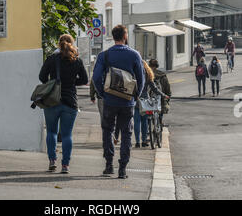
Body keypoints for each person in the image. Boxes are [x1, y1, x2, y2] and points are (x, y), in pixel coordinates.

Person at [92, 25, 145, 179]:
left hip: (110, 100)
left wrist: (102, 93)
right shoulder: (134, 55)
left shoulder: (105, 55)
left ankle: (109, 165)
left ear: (114, 36)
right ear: (125, 36)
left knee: (108, 130)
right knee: (126, 133)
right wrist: (135, 96)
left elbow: (95, 78)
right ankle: (122, 168)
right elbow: (141, 79)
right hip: (127, 101)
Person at [39, 34, 88, 174]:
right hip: (70, 101)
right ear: (72, 43)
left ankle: (52, 161)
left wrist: (53, 82)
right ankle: (65, 165)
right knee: (67, 135)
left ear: (58, 44)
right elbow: (84, 79)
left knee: (51, 132)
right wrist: (72, 82)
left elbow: (42, 77)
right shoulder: (76, 60)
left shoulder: (51, 59)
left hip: (52, 100)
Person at [134, 61, 167, 148]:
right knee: (144, 121)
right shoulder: (148, 74)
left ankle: (137, 142)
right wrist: (163, 95)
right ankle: (144, 141)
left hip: (136, 100)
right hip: (145, 101)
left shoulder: (134, 73)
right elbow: (155, 89)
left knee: (136, 122)